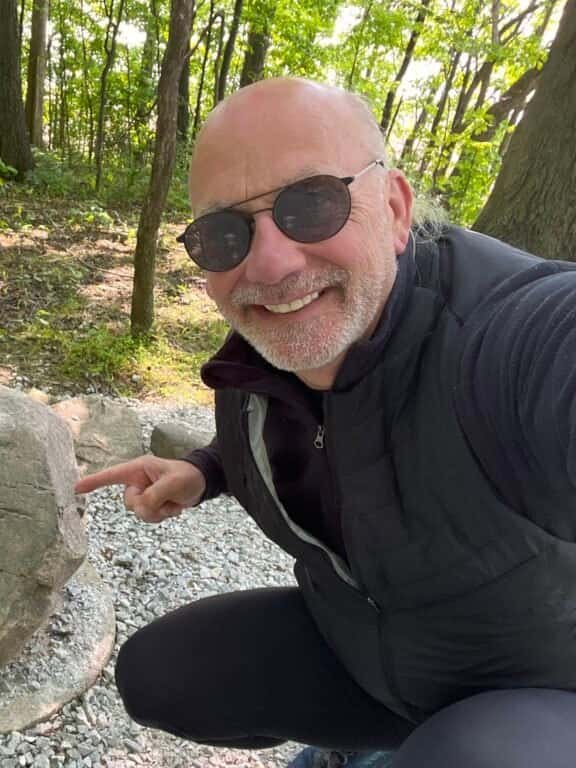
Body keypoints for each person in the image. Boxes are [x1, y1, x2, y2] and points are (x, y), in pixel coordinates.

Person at [75, 76, 576, 768]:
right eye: (225, 233)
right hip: (370, 658)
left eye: (311, 204)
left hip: (541, 695)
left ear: (395, 208)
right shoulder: (257, 365)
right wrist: (204, 469)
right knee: (162, 674)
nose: (273, 262)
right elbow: (311, 427)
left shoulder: (510, 338)